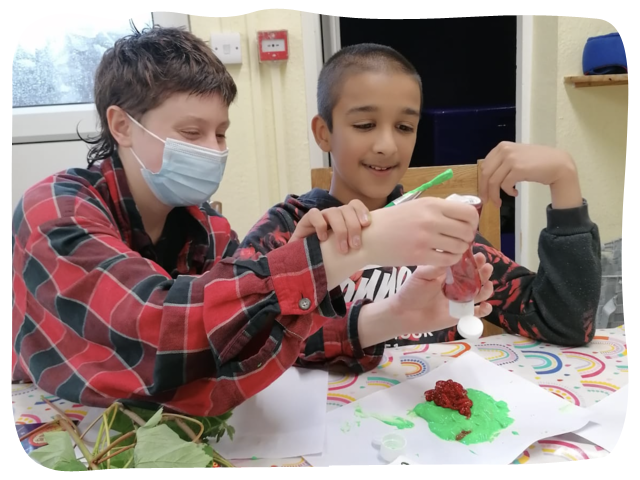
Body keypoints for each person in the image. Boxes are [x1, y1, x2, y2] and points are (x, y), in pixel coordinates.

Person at [12, 28, 488, 417]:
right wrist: (341, 255)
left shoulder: (211, 232)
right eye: (192, 133)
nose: (214, 151)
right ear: (121, 126)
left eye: (221, 133)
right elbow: (160, 334)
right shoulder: (56, 210)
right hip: (50, 425)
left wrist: (394, 315)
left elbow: (248, 343)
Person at [237, 43, 602, 349]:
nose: (386, 145)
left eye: (404, 127)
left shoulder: (440, 231)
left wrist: (564, 178)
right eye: (364, 125)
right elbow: (237, 340)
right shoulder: (289, 229)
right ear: (324, 133)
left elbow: (565, 324)